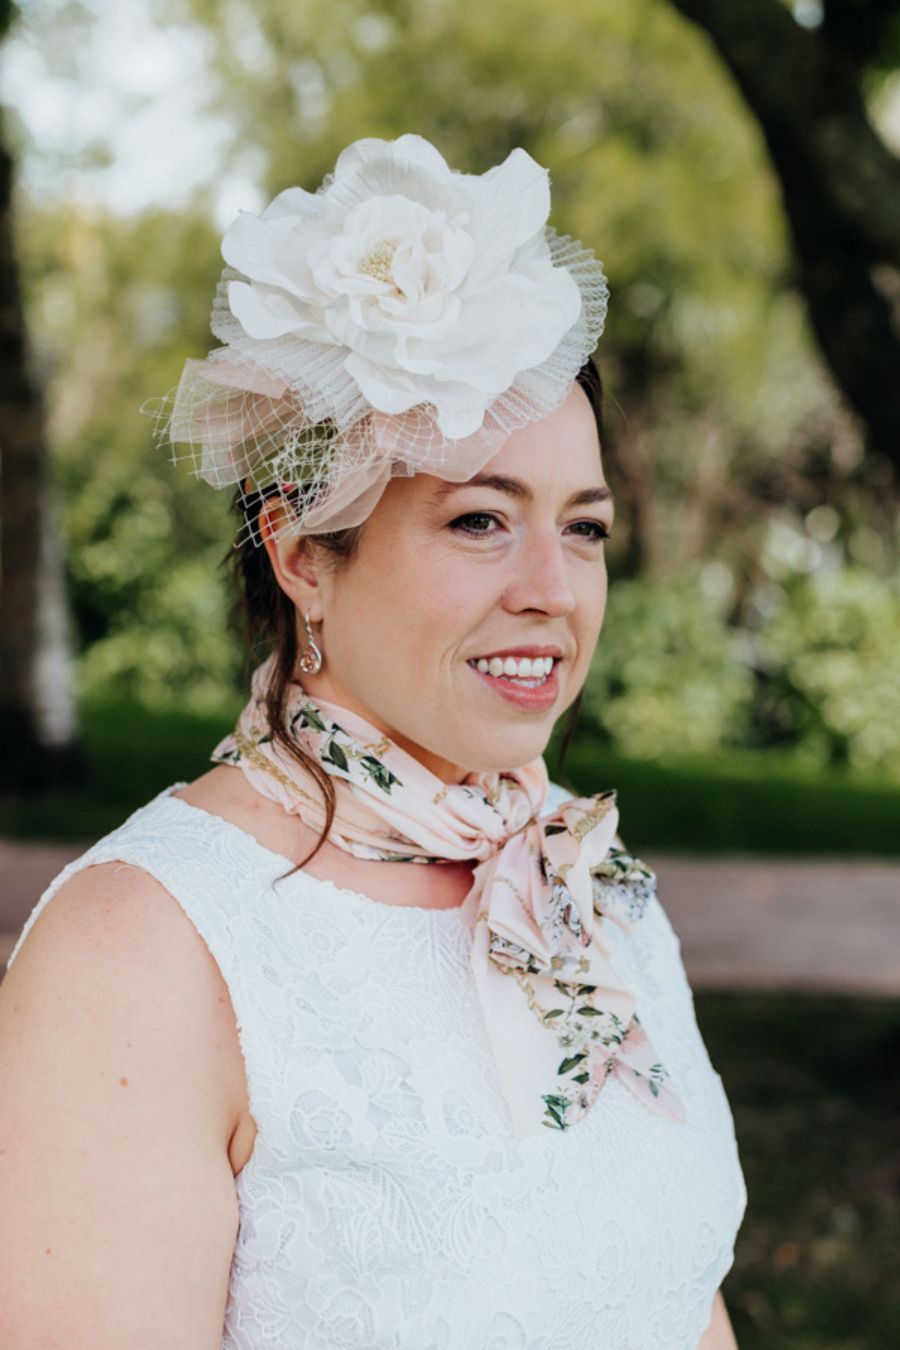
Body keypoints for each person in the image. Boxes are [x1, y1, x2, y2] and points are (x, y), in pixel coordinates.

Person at [0, 134, 746, 1348]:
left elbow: (672, 1293)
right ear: (303, 557)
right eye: (479, 519)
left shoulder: (583, 886)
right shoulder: (140, 952)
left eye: (587, 527)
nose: (553, 588)